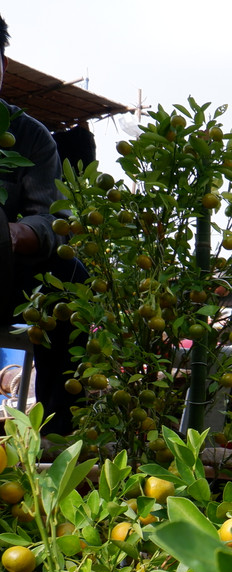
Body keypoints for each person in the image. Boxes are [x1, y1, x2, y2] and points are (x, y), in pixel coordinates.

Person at [0, 14, 82, 433]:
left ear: (4, 65)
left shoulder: (28, 136)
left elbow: (52, 218)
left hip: (8, 277)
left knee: (73, 277)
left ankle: (58, 428)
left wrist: (13, 234)